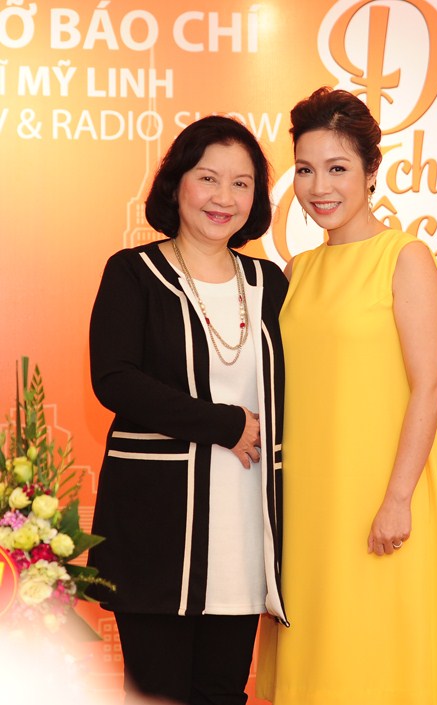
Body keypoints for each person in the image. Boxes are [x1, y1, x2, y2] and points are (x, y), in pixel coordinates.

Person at [256, 87, 437, 705]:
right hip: (305, 504)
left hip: (379, 499)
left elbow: (430, 383)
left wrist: (398, 498)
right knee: (318, 659)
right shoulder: (297, 270)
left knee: (376, 659)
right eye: (305, 170)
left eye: (337, 168)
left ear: (372, 171)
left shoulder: (404, 258)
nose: (319, 187)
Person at [88, 115, 288, 705]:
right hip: (158, 533)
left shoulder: (270, 283)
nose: (224, 197)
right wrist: (226, 424)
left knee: (223, 693)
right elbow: (115, 380)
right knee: (157, 695)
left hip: (245, 530)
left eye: (241, 183)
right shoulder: (133, 272)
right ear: (176, 183)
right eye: (208, 178)